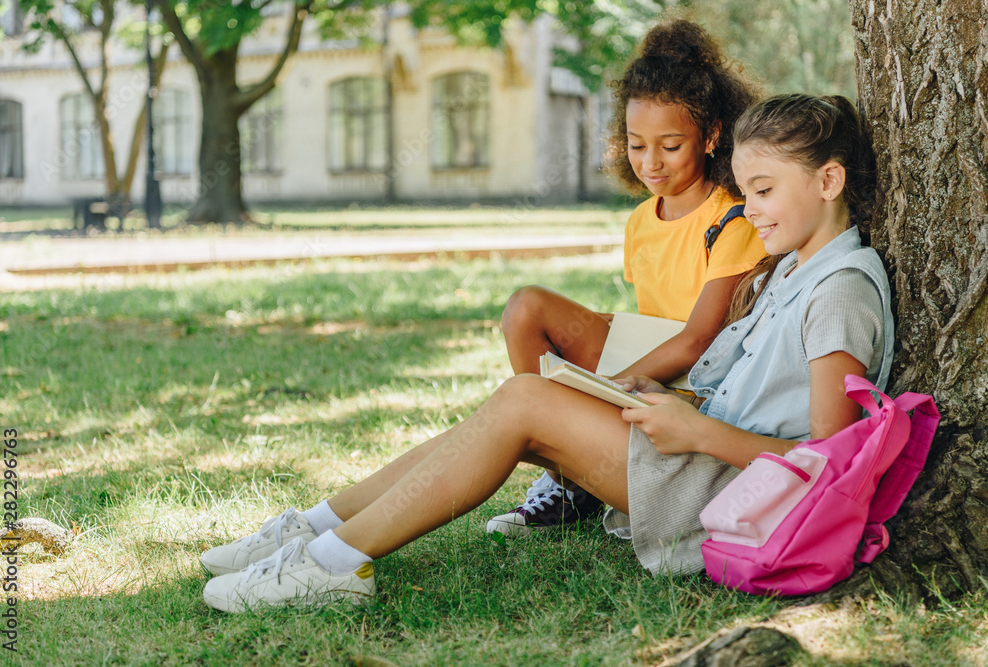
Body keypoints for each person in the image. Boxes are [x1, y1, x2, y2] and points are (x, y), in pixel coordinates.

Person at [199, 92, 894, 612]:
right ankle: (316, 529)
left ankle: (331, 561)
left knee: (525, 399)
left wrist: (695, 428)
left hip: (721, 490)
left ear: (828, 182)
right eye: (744, 194)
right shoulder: (797, 267)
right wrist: (672, 404)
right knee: (515, 403)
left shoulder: (838, 290)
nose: (749, 210)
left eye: (764, 192)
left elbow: (831, 468)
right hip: (699, 453)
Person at [488, 19, 765, 535]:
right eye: (637, 145)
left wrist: (609, 387)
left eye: (670, 145)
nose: (651, 162)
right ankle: (568, 483)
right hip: (653, 354)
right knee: (526, 305)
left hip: (700, 380)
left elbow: (698, 338)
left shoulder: (735, 215)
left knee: (571, 390)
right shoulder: (641, 219)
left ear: (711, 136)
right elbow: (651, 317)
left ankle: (575, 453)